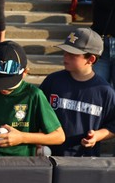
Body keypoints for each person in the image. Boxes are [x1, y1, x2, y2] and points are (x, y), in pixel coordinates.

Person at [0, 41, 65, 156]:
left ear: (25, 72)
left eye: (9, 84)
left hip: (22, 166)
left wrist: (22, 137)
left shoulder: (33, 95)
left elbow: (59, 136)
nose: (3, 88)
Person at [39, 27, 115, 156]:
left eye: (72, 54)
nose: (65, 57)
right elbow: (36, 112)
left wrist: (97, 136)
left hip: (83, 162)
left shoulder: (105, 91)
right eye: (65, 52)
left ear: (91, 59)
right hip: (50, 157)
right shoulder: (53, 81)